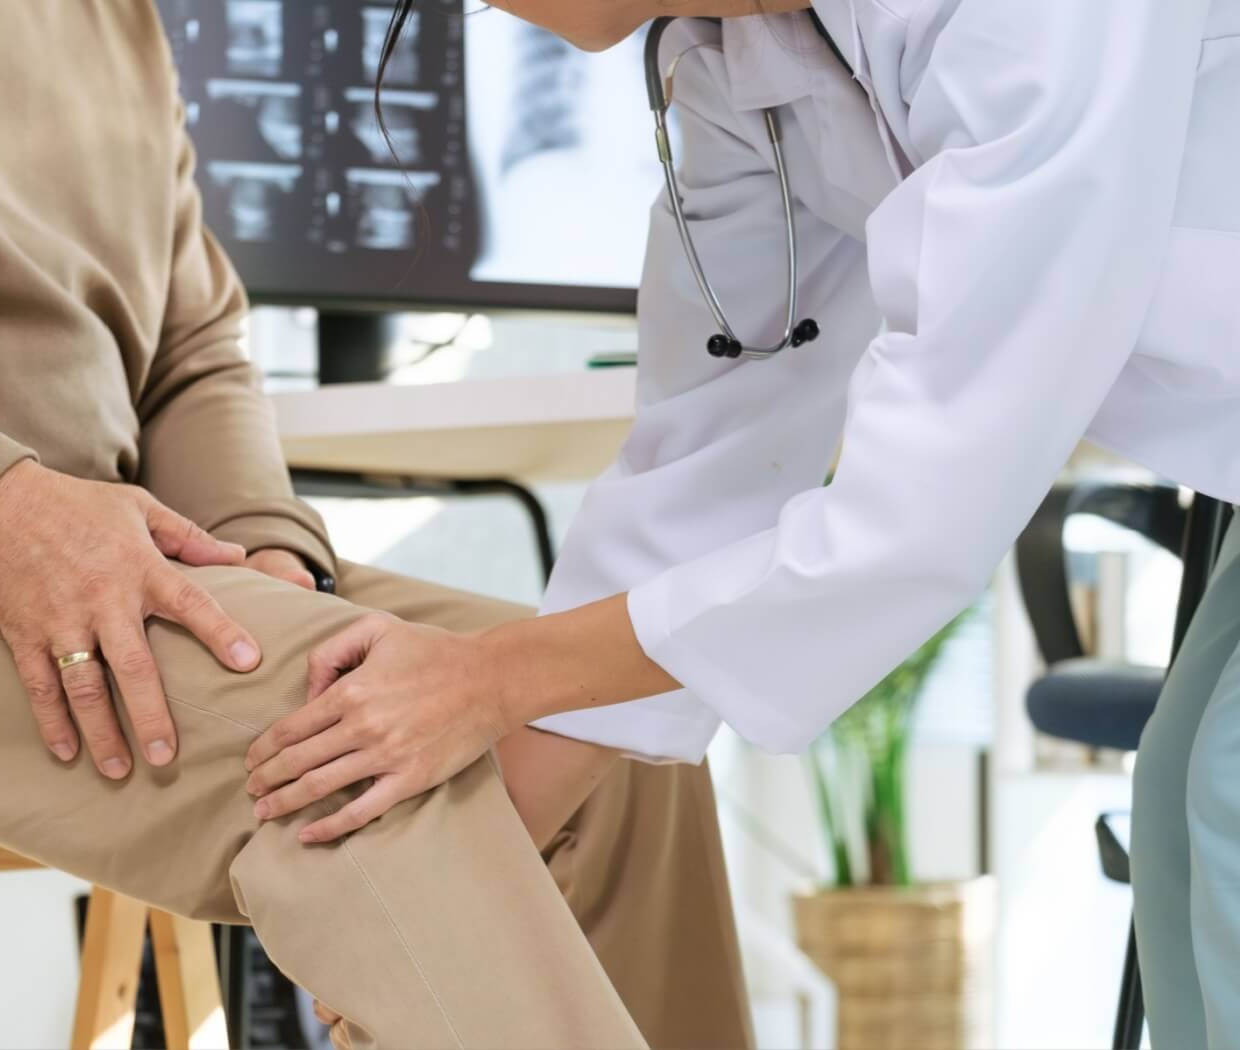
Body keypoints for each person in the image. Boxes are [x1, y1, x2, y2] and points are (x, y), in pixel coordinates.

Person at [0, 3, 755, 1047]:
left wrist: (265, 552)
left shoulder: (112, 19)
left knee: (606, 716)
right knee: (354, 737)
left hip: (91, 547)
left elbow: (192, 344)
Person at [247, 0, 1240, 1044]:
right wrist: (454, 887)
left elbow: (934, 492)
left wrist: (492, 677)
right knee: (1180, 810)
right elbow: (712, 458)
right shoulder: (735, 67)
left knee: (1223, 798)